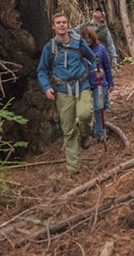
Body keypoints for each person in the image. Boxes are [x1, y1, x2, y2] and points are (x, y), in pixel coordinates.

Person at [37, 12, 98, 173]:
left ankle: (85, 136)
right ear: (53, 26)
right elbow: (42, 70)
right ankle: (73, 168)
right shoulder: (49, 48)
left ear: (68, 24)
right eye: (58, 23)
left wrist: (95, 70)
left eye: (64, 22)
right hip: (63, 91)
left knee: (85, 114)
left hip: (82, 85)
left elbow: (92, 58)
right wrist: (46, 87)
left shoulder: (78, 42)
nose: (62, 25)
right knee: (69, 129)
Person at [81, 25, 113, 142]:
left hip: (99, 83)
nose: (87, 40)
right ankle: (93, 131)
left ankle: (100, 133)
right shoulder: (81, 51)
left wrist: (110, 83)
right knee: (87, 111)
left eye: (89, 37)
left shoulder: (101, 49)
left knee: (99, 107)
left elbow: (107, 67)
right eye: (85, 38)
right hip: (85, 84)